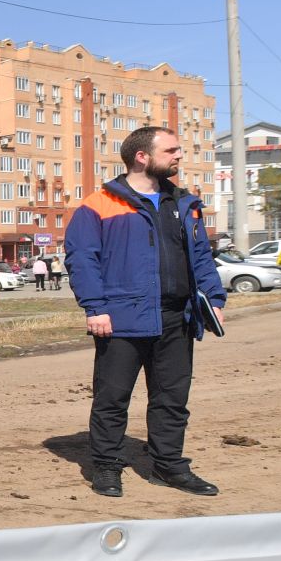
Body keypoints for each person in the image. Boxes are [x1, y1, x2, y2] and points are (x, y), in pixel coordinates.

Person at [65, 126, 226, 499]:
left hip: (177, 318)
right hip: (121, 319)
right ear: (142, 156)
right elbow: (82, 259)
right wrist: (96, 308)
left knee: (172, 399)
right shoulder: (99, 204)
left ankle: (167, 466)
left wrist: (214, 299)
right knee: (112, 399)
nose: (179, 156)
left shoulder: (185, 204)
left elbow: (200, 256)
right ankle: (106, 467)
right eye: (171, 150)